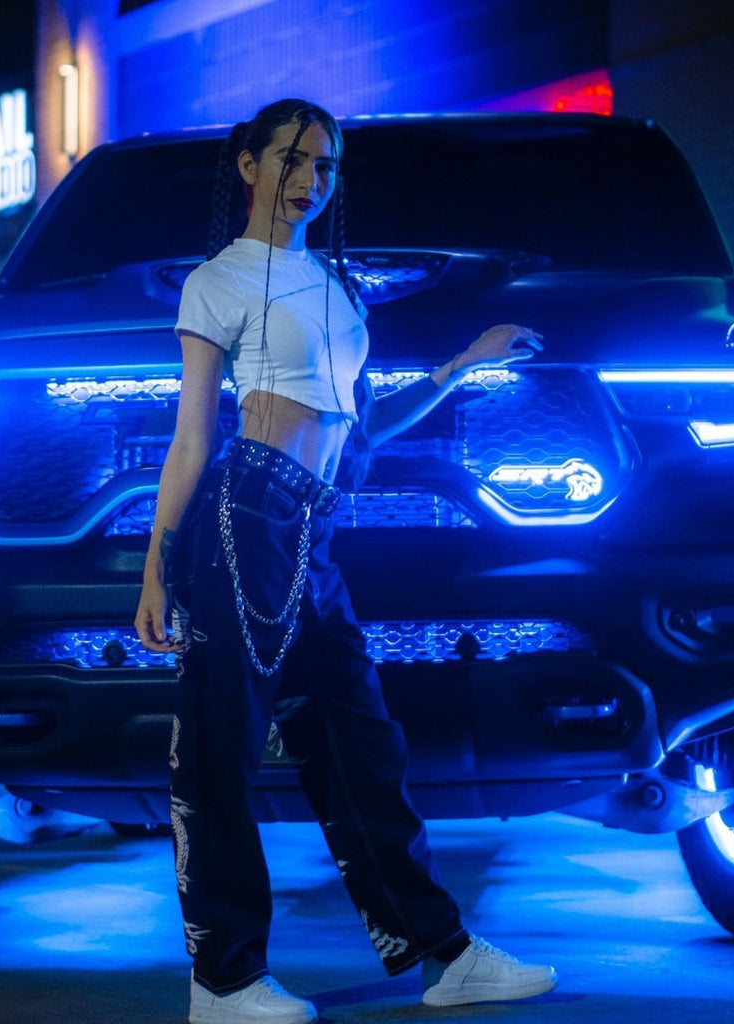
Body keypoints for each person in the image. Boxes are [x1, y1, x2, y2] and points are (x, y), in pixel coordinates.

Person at [135, 98, 557, 1024]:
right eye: (292, 159)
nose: (310, 180)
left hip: (312, 527)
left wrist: (459, 365)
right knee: (219, 752)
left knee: (362, 743)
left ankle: (443, 957)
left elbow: (356, 426)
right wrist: (157, 567)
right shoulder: (217, 281)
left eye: (324, 165)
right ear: (248, 166)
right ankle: (222, 980)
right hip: (244, 517)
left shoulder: (332, 285)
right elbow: (192, 436)